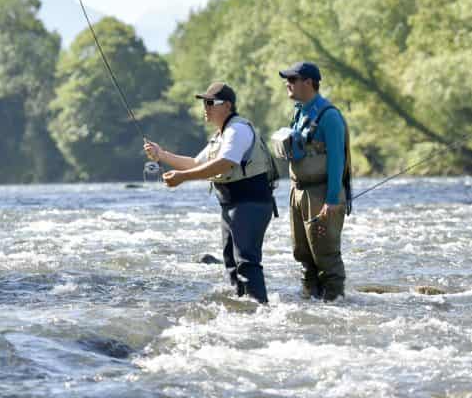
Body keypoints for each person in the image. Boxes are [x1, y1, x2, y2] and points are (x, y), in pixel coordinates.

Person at [143, 82, 278, 304]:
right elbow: (195, 163)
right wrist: (161, 154)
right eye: (203, 103)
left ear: (227, 105)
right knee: (231, 263)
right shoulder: (221, 135)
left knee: (246, 262)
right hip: (232, 205)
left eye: (209, 103)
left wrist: (183, 178)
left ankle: (260, 310)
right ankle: (245, 311)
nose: (205, 107)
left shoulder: (237, 129)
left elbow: (224, 164)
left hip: (249, 204)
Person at [272, 62, 352, 301]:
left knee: (326, 256)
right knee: (303, 255)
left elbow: (338, 160)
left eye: (293, 79)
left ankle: (336, 306)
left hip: (322, 193)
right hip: (298, 193)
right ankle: (311, 305)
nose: (288, 83)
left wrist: (332, 200)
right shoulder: (299, 111)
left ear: (309, 83)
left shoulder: (330, 117)